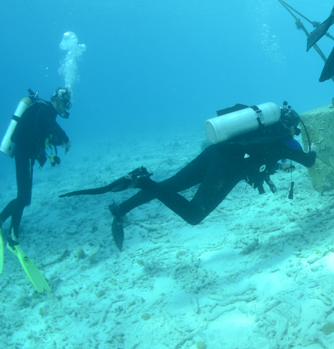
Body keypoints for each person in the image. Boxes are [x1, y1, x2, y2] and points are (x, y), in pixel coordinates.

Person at [60, 103, 316, 251]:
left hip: (216, 152)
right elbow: (308, 161)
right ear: (290, 126)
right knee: (194, 215)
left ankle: (121, 208)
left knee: (171, 185)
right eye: (294, 129)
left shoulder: (257, 130)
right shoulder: (282, 142)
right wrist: (314, 149)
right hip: (229, 165)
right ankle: (143, 180)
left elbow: (266, 159)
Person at [0, 88, 71, 242]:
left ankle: (0, 219)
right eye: (65, 104)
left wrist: (58, 142)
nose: (66, 108)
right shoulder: (45, 110)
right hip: (24, 154)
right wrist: (66, 139)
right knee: (23, 197)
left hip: (27, 155)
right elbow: (53, 127)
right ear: (58, 101)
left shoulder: (46, 112)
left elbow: (49, 135)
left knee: (24, 198)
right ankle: (13, 237)